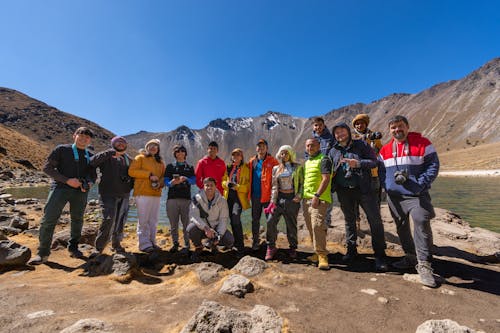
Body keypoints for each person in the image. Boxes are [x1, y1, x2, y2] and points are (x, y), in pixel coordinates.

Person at [378, 115, 440, 287]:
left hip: (417, 194)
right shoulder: (385, 150)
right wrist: (386, 185)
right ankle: (410, 257)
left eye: (400, 126)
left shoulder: (423, 143)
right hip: (394, 197)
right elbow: (381, 171)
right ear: (389, 130)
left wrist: (420, 184)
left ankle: (425, 264)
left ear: (407, 127)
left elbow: (433, 165)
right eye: (393, 128)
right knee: (401, 226)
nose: (397, 130)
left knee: (421, 222)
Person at [28, 127, 97, 265]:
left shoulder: (90, 155)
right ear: (74, 136)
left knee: (77, 219)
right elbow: (47, 168)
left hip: (80, 192)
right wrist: (67, 180)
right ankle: (42, 253)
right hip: (60, 189)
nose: (84, 139)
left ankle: (73, 248)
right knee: (49, 219)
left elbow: (93, 175)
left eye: (87, 137)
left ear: (90, 140)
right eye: (81, 135)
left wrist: (89, 183)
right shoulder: (62, 149)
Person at [328, 123, 388, 272]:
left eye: (342, 131)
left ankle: (380, 255)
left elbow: (374, 161)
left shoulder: (360, 145)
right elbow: (328, 169)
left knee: (375, 220)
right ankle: (351, 250)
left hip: (364, 189)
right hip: (343, 191)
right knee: (349, 221)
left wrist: (359, 163)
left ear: (348, 132)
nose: (340, 135)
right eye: (337, 133)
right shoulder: (333, 151)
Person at [89, 136, 133, 256]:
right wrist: (109, 153)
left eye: (123, 142)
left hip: (124, 194)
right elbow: (92, 161)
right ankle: (98, 248)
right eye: (118, 142)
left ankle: (116, 244)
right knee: (108, 219)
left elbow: (133, 175)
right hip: (107, 193)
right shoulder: (106, 156)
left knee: (120, 221)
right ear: (112, 144)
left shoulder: (128, 158)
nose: (121, 144)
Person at [264, 145, 303, 260]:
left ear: (290, 154)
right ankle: (271, 246)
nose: (284, 155)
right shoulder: (276, 169)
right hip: (279, 198)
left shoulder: (297, 167)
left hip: (292, 199)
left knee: (291, 224)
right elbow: (274, 187)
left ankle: (293, 247)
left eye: (286, 153)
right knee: (270, 220)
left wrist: (299, 195)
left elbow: (302, 183)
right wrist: (272, 202)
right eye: (282, 153)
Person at [128, 139, 166, 253]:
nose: (153, 147)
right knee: (143, 219)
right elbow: (132, 171)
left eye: (155, 146)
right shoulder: (140, 158)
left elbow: (163, 177)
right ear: (147, 148)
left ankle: (152, 241)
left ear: (158, 149)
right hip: (142, 192)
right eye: (151, 146)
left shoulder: (161, 162)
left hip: (156, 193)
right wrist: (148, 175)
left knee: (154, 220)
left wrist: (160, 183)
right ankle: (144, 244)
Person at [187, 177, 234, 262]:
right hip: (202, 228)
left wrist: (219, 235)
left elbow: (223, 219)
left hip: (215, 228)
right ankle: (198, 246)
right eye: (207, 185)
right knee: (191, 229)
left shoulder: (222, 200)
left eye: (211, 185)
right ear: (203, 187)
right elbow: (194, 216)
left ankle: (213, 244)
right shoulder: (196, 199)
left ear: (216, 186)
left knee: (229, 240)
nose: (209, 187)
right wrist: (206, 228)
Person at [302, 138, 332, 270]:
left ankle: (322, 255)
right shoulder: (307, 162)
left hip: (319, 199)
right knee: (310, 227)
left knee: (317, 226)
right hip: (306, 199)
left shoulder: (324, 159)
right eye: (308, 146)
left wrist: (317, 195)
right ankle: (316, 252)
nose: (310, 148)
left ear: (319, 146)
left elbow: (326, 179)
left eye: (312, 145)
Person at [248, 139, 279, 250]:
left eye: (263, 146)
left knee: (270, 220)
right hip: (255, 196)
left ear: (267, 148)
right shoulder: (252, 162)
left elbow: (278, 177)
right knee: (255, 220)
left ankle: (271, 243)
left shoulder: (273, 161)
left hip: (268, 197)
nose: (261, 149)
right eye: (259, 146)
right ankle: (255, 241)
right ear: (256, 148)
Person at [164, 145, 196, 254]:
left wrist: (186, 178)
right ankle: (175, 243)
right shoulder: (170, 166)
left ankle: (187, 244)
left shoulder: (190, 167)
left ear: (185, 153)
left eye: (182, 151)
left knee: (186, 223)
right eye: (178, 151)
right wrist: (172, 182)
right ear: (175, 153)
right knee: (173, 224)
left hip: (186, 199)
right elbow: (166, 182)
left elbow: (194, 181)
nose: (180, 153)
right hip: (172, 198)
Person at [306, 117, 335, 228]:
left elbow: (335, 153)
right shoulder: (312, 139)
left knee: (328, 193)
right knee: (317, 191)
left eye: (320, 125)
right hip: (314, 169)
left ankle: (327, 220)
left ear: (324, 125)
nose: (318, 127)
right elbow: (306, 153)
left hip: (327, 168)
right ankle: (317, 219)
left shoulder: (330, 138)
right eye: (315, 125)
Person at [222, 148, 250, 254]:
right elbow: (223, 181)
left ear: (241, 157)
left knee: (235, 217)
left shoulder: (246, 168)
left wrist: (237, 187)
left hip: (239, 198)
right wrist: (226, 184)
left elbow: (247, 186)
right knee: (230, 220)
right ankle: (234, 243)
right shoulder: (228, 168)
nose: (235, 157)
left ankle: (240, 246)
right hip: (228, 197)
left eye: (238, 155)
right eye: (234, 155)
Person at [352, 114, 383, 207]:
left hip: (373, 172)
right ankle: (358, 218)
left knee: (375, 196)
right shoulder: (352, 136)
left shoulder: (372, 136)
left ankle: (376, 216)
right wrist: (364, 138)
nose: (360, 125)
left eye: (362, 123)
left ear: (366, 124)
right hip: (357, 172)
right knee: (356, 197)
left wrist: (376, 140)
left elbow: (380, 150)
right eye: (357, 124)